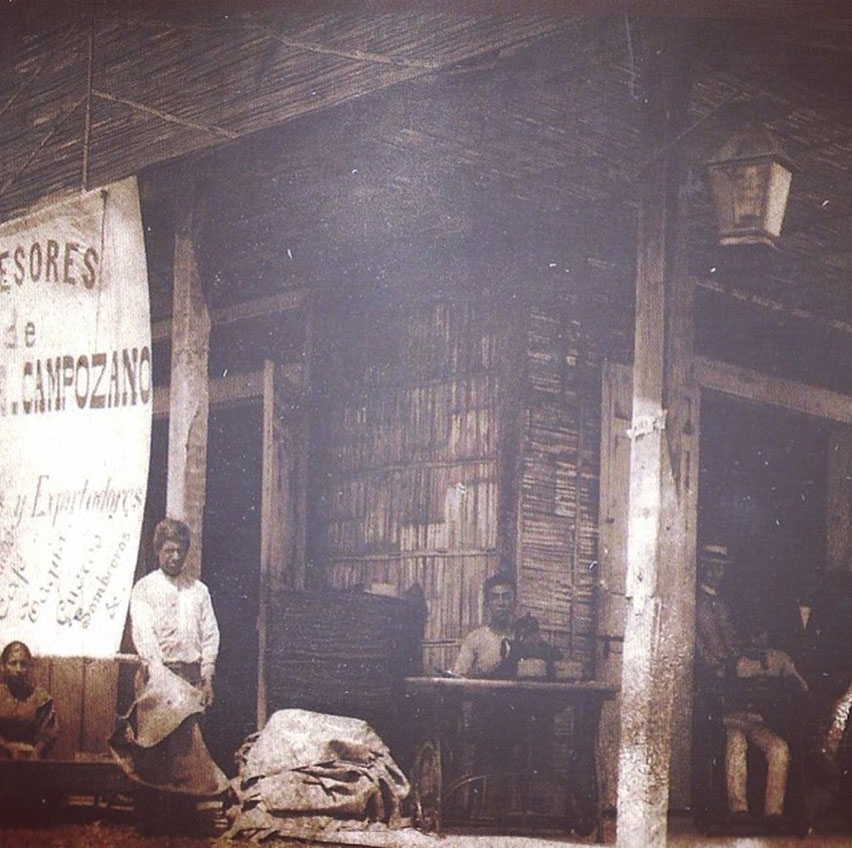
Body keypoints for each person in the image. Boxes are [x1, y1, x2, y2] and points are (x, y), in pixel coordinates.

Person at [110, 517, 228, 835]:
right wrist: (160, 678)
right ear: (158, 551)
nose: (174, 557)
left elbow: (210, 635)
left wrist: (207, 676)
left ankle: (184, 822)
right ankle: (150, 824)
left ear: (187, 552)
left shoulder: (199, 591)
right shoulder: (145, 589)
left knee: (186, 753)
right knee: (155, 749)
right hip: (158, 678)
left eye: (179, 551)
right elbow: (144, 634)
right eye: (168, 550)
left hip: (190, 678)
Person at [694, 543, 797, 831]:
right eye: (710, 566)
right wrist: (725, 669)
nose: (715, 572)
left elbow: (737, 650)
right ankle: (738, 811)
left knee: (779, 748)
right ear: (702, 567)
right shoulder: (695, 605)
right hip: (721, 703)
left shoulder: (724, 607)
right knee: (736, 741)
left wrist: (747, 663)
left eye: (720, 568)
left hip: (746, 704)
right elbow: (703, 654)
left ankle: (773, 814)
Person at [0, 640, 58, 760]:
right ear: (2, 666)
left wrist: (35, 753)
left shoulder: (41, 699)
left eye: (23, 664)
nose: (18, 669)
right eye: (13, 663)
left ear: (30, 667)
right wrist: (8, 747)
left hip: (31, 760)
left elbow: (48, 735)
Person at [451, 573, 516, 679]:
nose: (501, 603)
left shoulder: (523, 637)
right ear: (486, 603)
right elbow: (459, 677)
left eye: (506, 597)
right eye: (495, 598)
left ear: (514, 602)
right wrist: (480, 671)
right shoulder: (475, 639)